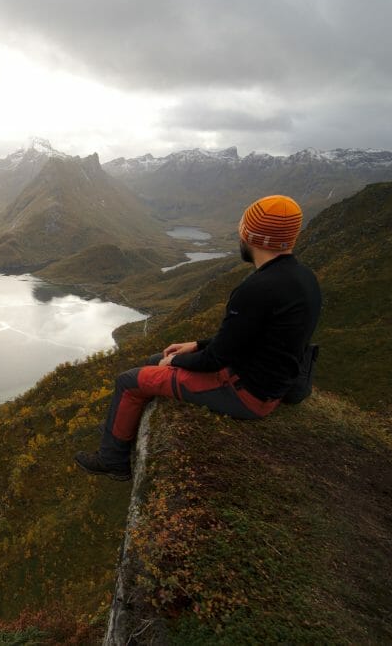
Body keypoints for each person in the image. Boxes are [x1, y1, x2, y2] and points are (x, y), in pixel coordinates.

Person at [75, 194, 322, 481]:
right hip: (270, 380)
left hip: (247, 394)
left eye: (241, 232)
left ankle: (112, 461)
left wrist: (177, 360)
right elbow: (253, 337)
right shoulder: (305, 278)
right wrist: (196, 345)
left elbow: (216, 359)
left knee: (129, 382)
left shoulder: (257, 288)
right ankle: (122, 431)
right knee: (155, 360)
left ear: (252, 237)